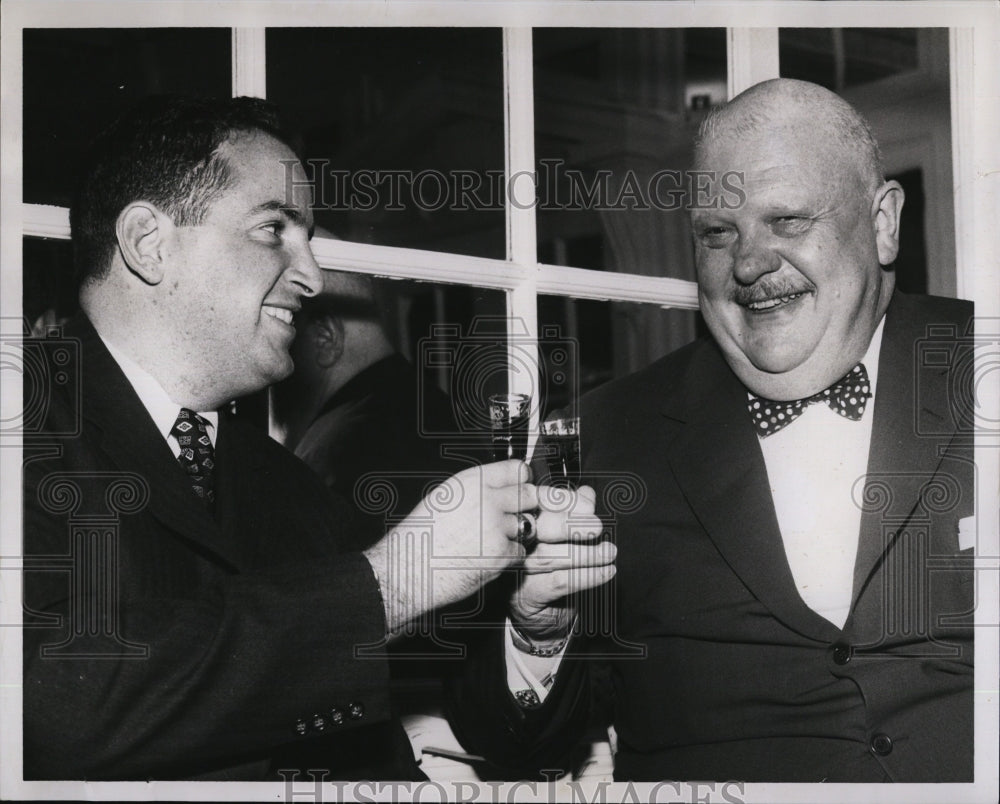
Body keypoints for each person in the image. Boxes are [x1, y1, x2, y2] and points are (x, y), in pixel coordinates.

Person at [20, 95, 609, 781]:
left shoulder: (290, 485)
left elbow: (496, 748)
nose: (313, 277)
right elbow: (50, 707)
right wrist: (392, 582)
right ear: (149, 242)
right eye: (274, 229)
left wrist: (533, 630)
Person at [449, 78, 976, 783]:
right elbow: (520, 751)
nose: (750, 263)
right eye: (718, 234)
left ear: (883, 223)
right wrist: (537, 633)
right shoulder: (602, 441)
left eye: (788, 221)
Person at [273, 268, 459, 547]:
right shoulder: (433, 410)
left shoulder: (340, 445)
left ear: (325, 337)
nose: (276, 357)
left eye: (286, 329)